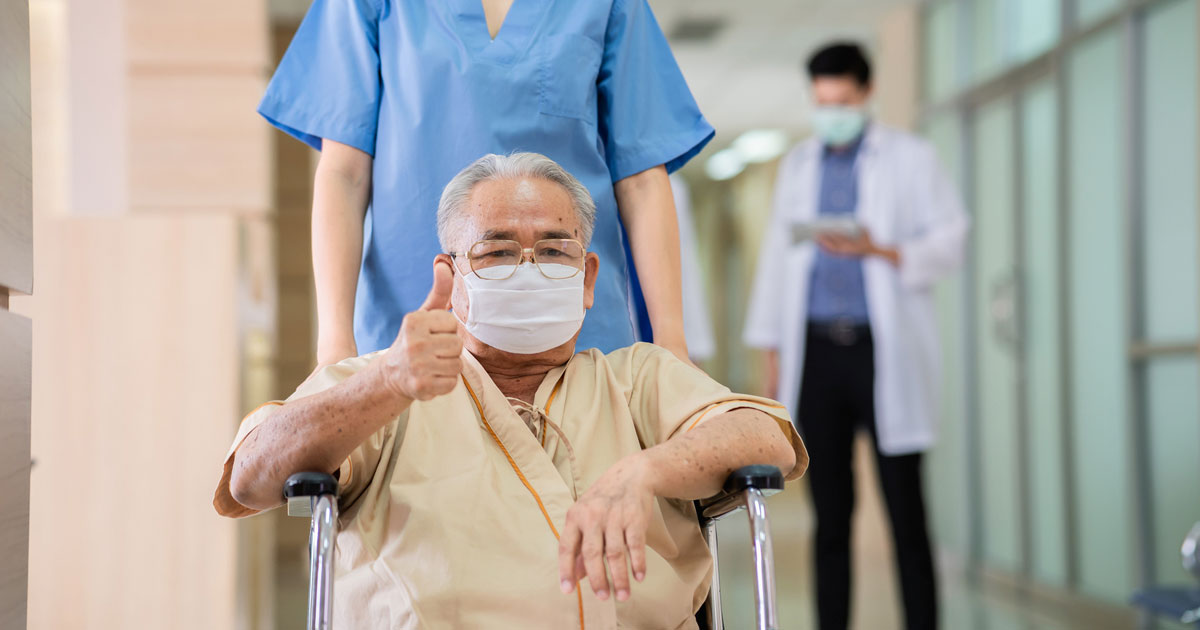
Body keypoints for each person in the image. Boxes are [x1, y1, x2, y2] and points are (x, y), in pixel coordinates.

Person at [215, 153, 807, 629]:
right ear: (450, 275)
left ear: (588, 280)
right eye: (497, 251)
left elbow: (768, 438)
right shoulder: (386, 384)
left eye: (554, 250)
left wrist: (645, 472)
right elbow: (251, 475)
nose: (528, 268)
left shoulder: (637, 377)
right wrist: (387, 382)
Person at [259, 0, 713, 368]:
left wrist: (672, 343)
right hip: (416, 312)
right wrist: (335, 345)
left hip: (571, 321)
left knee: (584, 466)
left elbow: (641, 181)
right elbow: (344, 173)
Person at [743, 43, 968, 630]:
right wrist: (771, 354)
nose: (831, 113)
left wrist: (881, 248)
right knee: (831, 515)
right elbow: (776, 261)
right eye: (822, 103)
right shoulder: (797, 165)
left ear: (866, 95)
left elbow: (953, 241)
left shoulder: (911, 159)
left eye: (841, 101)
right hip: (815, 353)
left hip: (881, 350)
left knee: (905, 512)